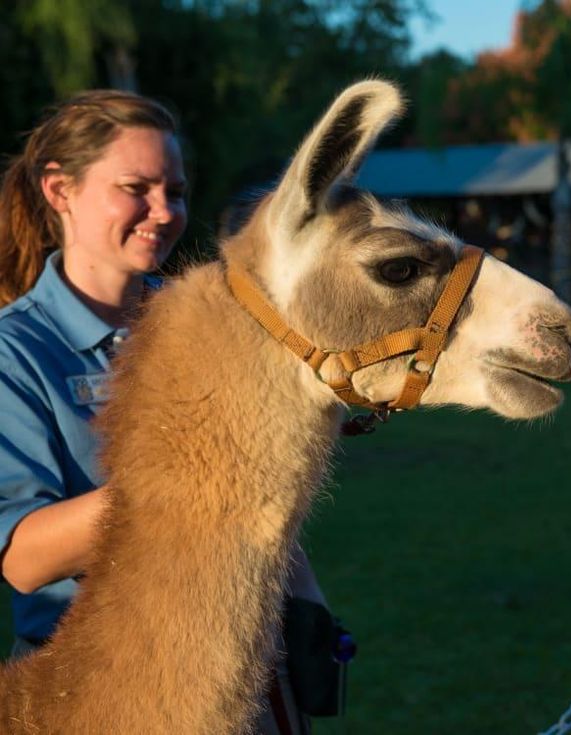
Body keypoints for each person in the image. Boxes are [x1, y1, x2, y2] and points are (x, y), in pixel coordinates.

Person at [0, 90, 334, 734]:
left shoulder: (215, 322)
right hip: (96, 689)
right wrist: (194, 482)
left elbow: (262, 494)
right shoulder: (15, 353)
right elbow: (24, 558)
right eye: (136, 188)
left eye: (175, 192)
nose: (162, 212)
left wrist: (307, 604)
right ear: (59, 191)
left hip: (237, 670)